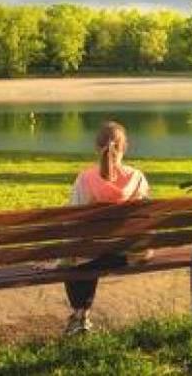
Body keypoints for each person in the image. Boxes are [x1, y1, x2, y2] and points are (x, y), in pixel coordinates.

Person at [62, 121, 150, 335]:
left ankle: (80, 315)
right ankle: (81, 317)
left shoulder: (85, 179)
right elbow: (145, 216)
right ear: (125, 147)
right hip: (129, 253)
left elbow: (74, 221)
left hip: (93, 255)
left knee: (76, 258)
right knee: (88, 254)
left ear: (96, 147)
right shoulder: (137, 177)